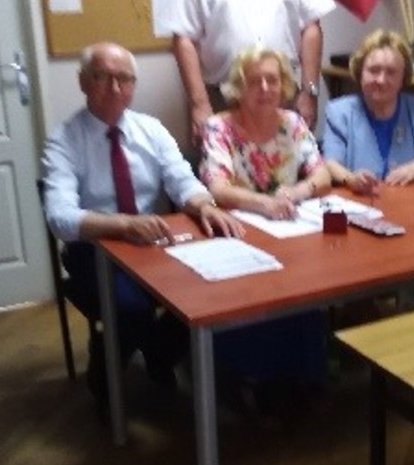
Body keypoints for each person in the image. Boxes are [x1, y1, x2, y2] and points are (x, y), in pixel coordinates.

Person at [41, 42, 245, 412]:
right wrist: (122, 225)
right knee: (132, 309)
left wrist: (204, 205)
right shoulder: (64, 140)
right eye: (102, 77)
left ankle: (158, 352)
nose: (115, 88)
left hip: (152, 244)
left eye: (124, 79)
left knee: (214, 287)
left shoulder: (151, 130)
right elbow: (59, 216)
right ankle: (105, 377)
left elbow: (182, 181)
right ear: (83, 82)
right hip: (95, 249)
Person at [199, 47, 331, 407]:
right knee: (254, 294)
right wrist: (264, 203)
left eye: (272, 79)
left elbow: (321, 175)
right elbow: (217, 188)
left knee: (306, 284)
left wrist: (296, 191)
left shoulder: (293, 123)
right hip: (240, 235)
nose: (265, 88)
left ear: (284, 84)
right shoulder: (220, 127)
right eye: (254, 81)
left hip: (289, 232)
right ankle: (255, 382)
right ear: (238, 88)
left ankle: (305, 377)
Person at [322, 29, 414, 196]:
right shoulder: (339, 112)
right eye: (373, 70)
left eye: (391, 72)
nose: (381, 80)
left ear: (403, 78)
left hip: (412, 204)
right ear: (360, 72)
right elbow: (330, 164)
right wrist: (351, 179)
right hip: (362, 202)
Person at [168, 0, 336, 139]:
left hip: (281, 93)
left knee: (293, 164)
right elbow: (183, 37)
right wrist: (200, 104)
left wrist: (309, 93)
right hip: (223, 98)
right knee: (222, 166)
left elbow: (311, 26)